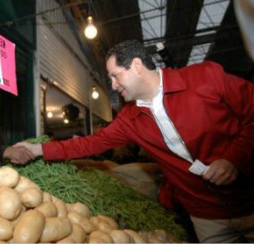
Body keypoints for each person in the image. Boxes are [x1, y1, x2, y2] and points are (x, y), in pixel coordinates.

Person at [16, 40, 254, 242]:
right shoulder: (129, 119)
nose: (113, 85)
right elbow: (87, 144)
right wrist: (35, 149)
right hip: (206, 218)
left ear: (137, 66)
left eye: (115, 76)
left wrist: (234, 158)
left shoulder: (205, 77)